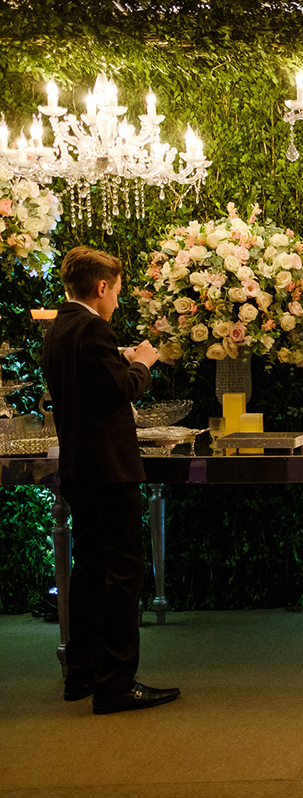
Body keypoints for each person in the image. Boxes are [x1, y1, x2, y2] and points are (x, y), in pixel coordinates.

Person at [42, 246, 181, 715]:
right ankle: (117, 683)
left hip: (79, 469)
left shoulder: (61, 326)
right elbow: (121, 390)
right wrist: (143, 361)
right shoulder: (93, 327)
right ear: (101, 287)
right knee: (123, 575)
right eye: (117, 293)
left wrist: (116, 356)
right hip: (110, 471)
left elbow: (89, 382)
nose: (118, 302)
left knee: (89, 573)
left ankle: (81, 674)